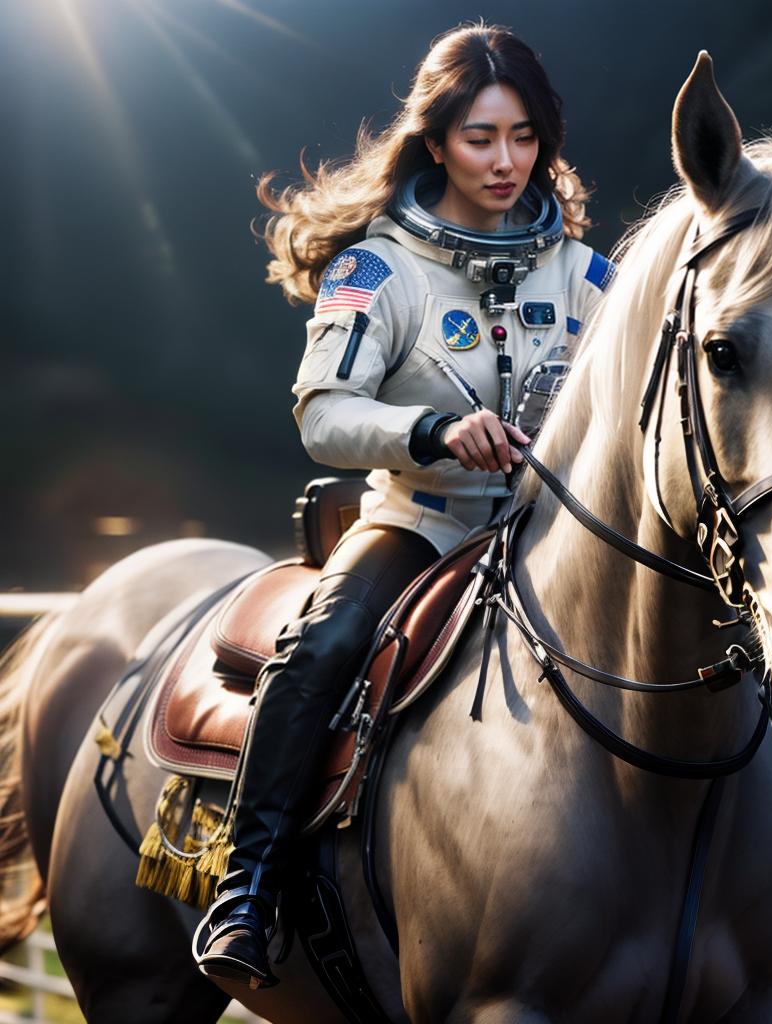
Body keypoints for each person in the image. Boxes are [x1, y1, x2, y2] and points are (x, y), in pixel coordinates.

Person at [193, 22, 614, 989]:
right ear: (436, 142)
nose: (506, 161)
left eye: (522, 136)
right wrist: (430, 436)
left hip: (562, 536)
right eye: (479, 138)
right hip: (420, 526)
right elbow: (323, 415)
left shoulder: (591, 276)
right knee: (322, 644)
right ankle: (245, 887)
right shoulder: (378, 270)